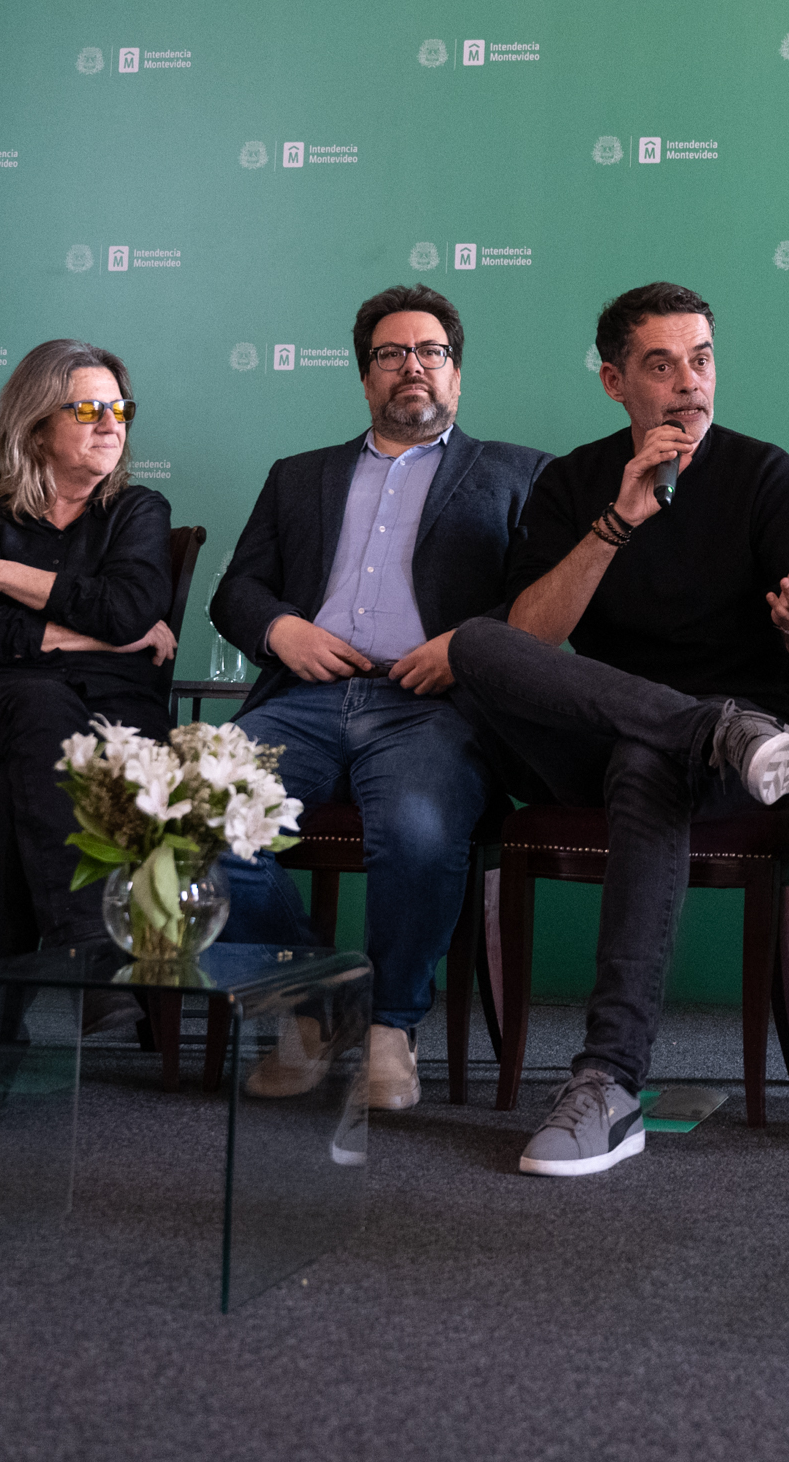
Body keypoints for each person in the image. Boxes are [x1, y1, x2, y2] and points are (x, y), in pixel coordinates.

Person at [442, 282, 789, 1177]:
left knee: (646, 763)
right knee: (476, 642)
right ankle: (705, 726)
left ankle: (610, 1083)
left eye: (701, 360)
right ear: (617, 383)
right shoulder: (576, 480)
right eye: (662, 365)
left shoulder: (759, 471)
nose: (689, 383)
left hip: (749, 759)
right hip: (619, 729)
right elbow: (533, 635)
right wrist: (619, 519)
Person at [208, 285, 547, 1106]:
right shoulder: (299, 477)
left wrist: (466, 647)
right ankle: (310, 1004)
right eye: (391, 355)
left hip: (432, 705)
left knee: (419, 830)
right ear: (366, 379)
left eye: (430, 353)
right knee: (197, 814)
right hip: (306, 699)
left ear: (456, 375)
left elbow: (542, 603)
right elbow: (235, 591)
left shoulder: (518, 473)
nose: (412, 368)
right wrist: (282, 629)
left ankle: (392, 1026)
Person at [0, 340, 177, 1016]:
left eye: (121, 409)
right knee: (36, 703)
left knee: (9, 793)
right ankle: (92, 943)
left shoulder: (139, 513)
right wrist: (99, 636)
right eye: (89, 408)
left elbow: (128, 609)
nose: (112, 424)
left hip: (112, 733)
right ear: (35, 423)